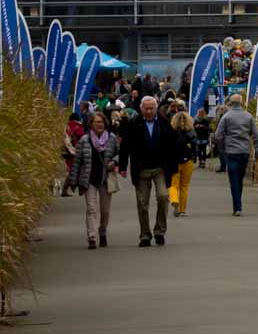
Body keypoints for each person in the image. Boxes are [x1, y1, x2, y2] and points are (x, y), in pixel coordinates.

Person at [118, 95, 177, 246]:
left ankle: (160, 231)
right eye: (146, 108)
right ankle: (145, 235)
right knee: (142, 203)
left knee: (163, 197)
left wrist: (174, 167)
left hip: (160, 168)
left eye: (152, 108)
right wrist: (123, 166)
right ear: (141, 109)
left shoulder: (164, 122)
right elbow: (125, 146)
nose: (149, 111)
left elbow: (173, 145)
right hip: (141, 168)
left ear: (156, 108)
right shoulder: (133, 123)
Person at [68, 109, 119, 248]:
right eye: (97, 122)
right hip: (89, 179)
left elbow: (120, 154)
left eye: (102, 122)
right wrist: (73, 180)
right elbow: (77, 161)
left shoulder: (112, 138)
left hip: (105, 179)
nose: (100, 124)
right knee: (91, 209)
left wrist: (114, 162)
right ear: (91, 124)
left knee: (105, 210)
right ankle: (91, 237)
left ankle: (102, 231)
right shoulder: (84, 140)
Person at [214, 95, 258, 216]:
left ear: (230, 103)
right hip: (244, 151)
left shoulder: (226, 116)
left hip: (231, 151)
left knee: (234, 179)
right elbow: (256, 135)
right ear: (241, 103)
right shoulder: (248, 116)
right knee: (239, 178)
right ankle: (238, 203)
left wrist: (223, 148)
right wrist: (257, 150)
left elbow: (218, 135)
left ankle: (237, 206)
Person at [168, 103, 197, 216]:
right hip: (188, 160)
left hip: (174, 160)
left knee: (173, 184)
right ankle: (182, 209)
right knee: (184, 186)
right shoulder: (191, 131)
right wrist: (194, 157)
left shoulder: (171, 131)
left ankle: (174, 200)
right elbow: (195, 145)